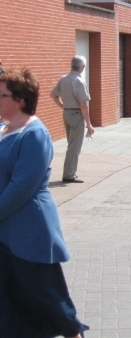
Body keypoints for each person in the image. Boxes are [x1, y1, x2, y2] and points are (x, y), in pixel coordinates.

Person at [0, 69, 87, 338]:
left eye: (2, 95)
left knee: (48, 299)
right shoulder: (5, 129)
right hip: (6, 230)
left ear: (20, 100)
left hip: (30, 231)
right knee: (11, 301)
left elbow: (20, 189)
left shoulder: (34, 134)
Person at [50, 55, 94, 183]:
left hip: (67, 113)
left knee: (71, 144)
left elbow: (53, 95)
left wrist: (63, 106)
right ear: (83, 67)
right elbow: (83, 105)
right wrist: (89, 124)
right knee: (75, 146)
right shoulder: (79, 81)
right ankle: (69, 174)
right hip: (76, 114)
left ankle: (69, 172)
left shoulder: (63, 79)